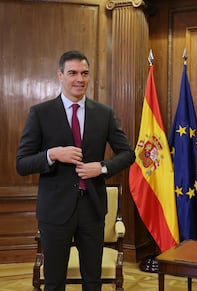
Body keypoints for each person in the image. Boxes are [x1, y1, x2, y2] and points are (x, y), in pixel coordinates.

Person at [16, 50, 135, 291]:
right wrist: (53, 154)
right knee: (54, 282)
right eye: (72, 73)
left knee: (93, 281)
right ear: (60, 75)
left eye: (84, 73)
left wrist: (101, 167)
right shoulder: (40, 113)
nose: (79, 79)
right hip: (55, 211)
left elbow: (128, 154)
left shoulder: (104, 113)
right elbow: (22, 163)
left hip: (92, 209)